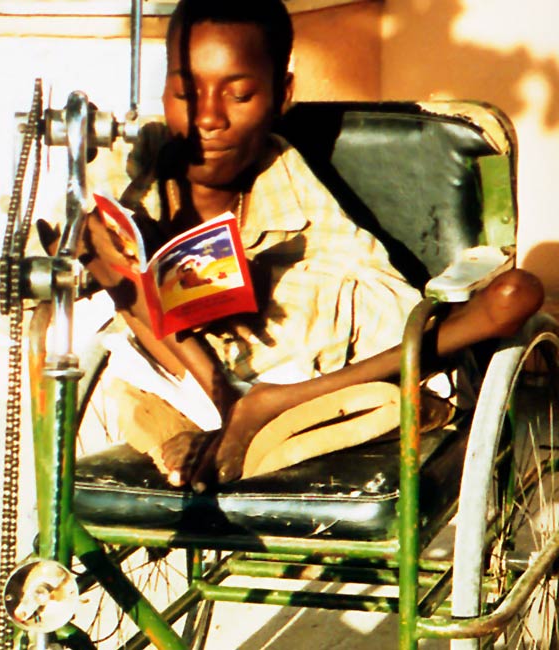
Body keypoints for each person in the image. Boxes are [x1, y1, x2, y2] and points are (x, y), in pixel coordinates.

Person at [76, 0, 544, 491]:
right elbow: (69, 251)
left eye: (239, 95)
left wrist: (253, 290)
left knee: (505, 301)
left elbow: (363, 315)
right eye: (185, 92)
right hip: (193, 377)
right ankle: (233, 409)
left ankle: (265, 407)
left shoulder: (297, 203)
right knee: (95, 246)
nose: (208, 117)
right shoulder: (133, 162)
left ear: (282, 94)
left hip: (308, 374)